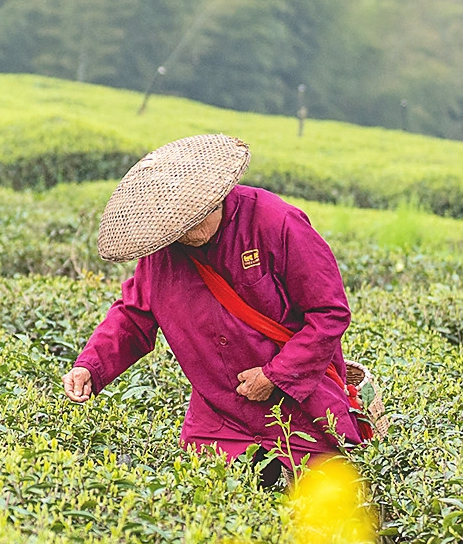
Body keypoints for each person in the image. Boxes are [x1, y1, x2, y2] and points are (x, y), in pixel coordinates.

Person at [64, 133, 363, 484]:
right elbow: (133, 316)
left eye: (194, 220)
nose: (186, 233)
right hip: (219, 416)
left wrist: (275, 375)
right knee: (213, 507)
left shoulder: (276, 222)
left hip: (299, 407)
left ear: (215, 197)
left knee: (326, 503)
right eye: (177, 227)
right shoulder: (162, 252)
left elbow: (329, 313)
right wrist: (91, 367)